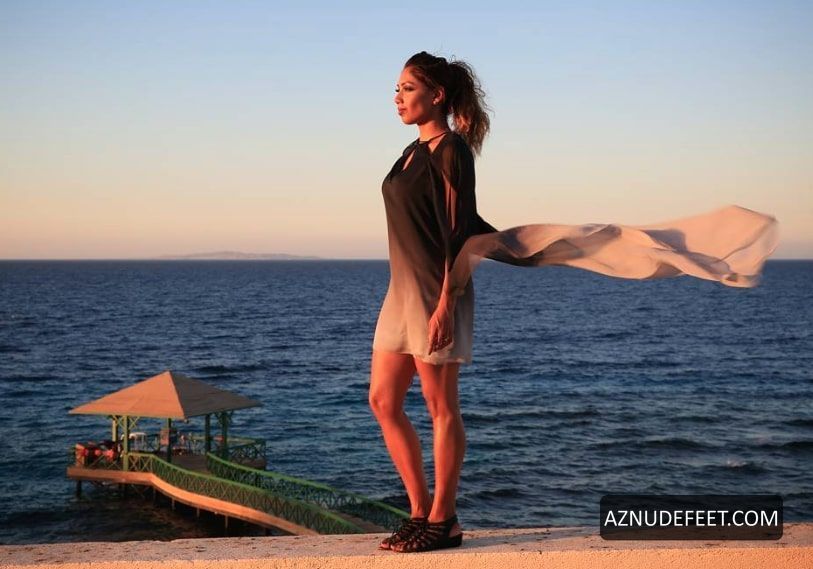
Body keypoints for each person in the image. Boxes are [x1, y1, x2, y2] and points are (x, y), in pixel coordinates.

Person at [368, 51, 779, 554]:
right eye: (397, 88)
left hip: (437, 291)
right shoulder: (409, 154)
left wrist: (445, 304)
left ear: (437, 95)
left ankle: (443, 519)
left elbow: (458, 232)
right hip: (400, 291)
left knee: (440, 405)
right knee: (383, 400)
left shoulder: (450, 150)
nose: (398, 97)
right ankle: (418, 511)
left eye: (408, 88)